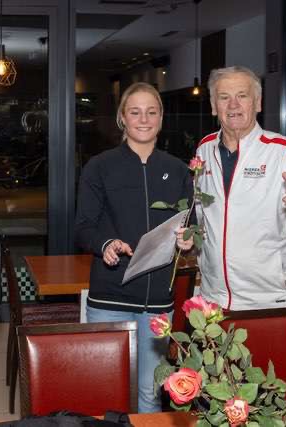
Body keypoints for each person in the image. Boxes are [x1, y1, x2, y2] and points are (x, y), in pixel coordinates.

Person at [75, 82, 194, 413]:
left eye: (151, 112)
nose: (144, 119)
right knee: (107, 393)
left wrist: (188, 240)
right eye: (135, 112)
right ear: (122, 118)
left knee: (151, 393)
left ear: (161, 118)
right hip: (109, 299)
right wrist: (105, 243)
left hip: (158, 303)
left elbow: (191, 224)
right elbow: (83, 227)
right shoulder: (99, 166)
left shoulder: (178, 170)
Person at [195, 66, 286, 311]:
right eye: (224, 97)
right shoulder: (204, 149)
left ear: (258, 103)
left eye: (242, 96)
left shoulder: (282, 151)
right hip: (213, 299)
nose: (233, 105)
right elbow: (201, 213)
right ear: (213, 106)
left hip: (271, 300)